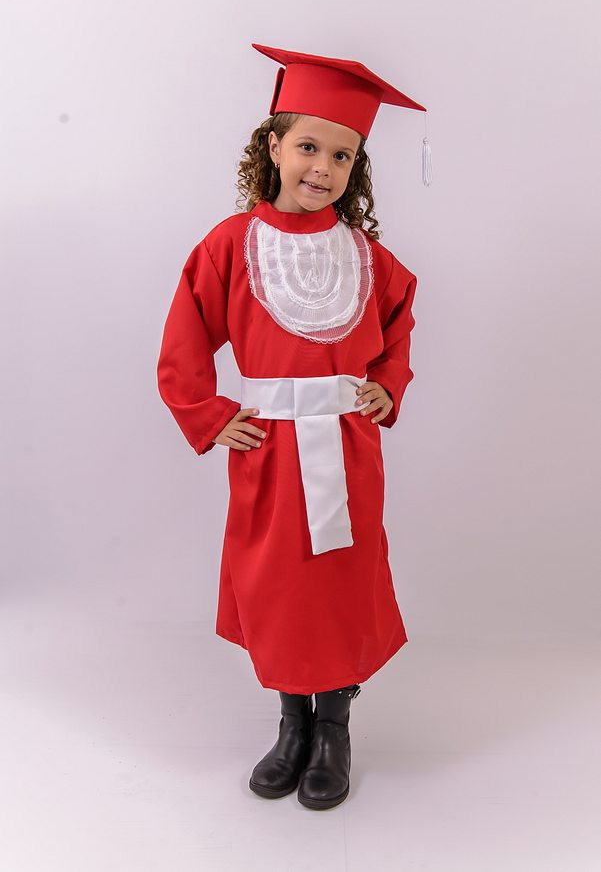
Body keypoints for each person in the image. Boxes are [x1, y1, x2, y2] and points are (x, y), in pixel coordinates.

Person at [156, 43, 426, 810]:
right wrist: (211, 415)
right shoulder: (229, 244)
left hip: (346, 445)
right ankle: (291, 724)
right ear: (272, 146)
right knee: (279, 583)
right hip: (270, 448)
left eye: (342, 155)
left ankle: (333, 727)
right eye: (308, 146)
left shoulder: (365, 257)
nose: (322, 167)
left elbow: (398, 324)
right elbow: (183, 342)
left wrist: (385, 386)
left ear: (354, 168)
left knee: (339, 583)